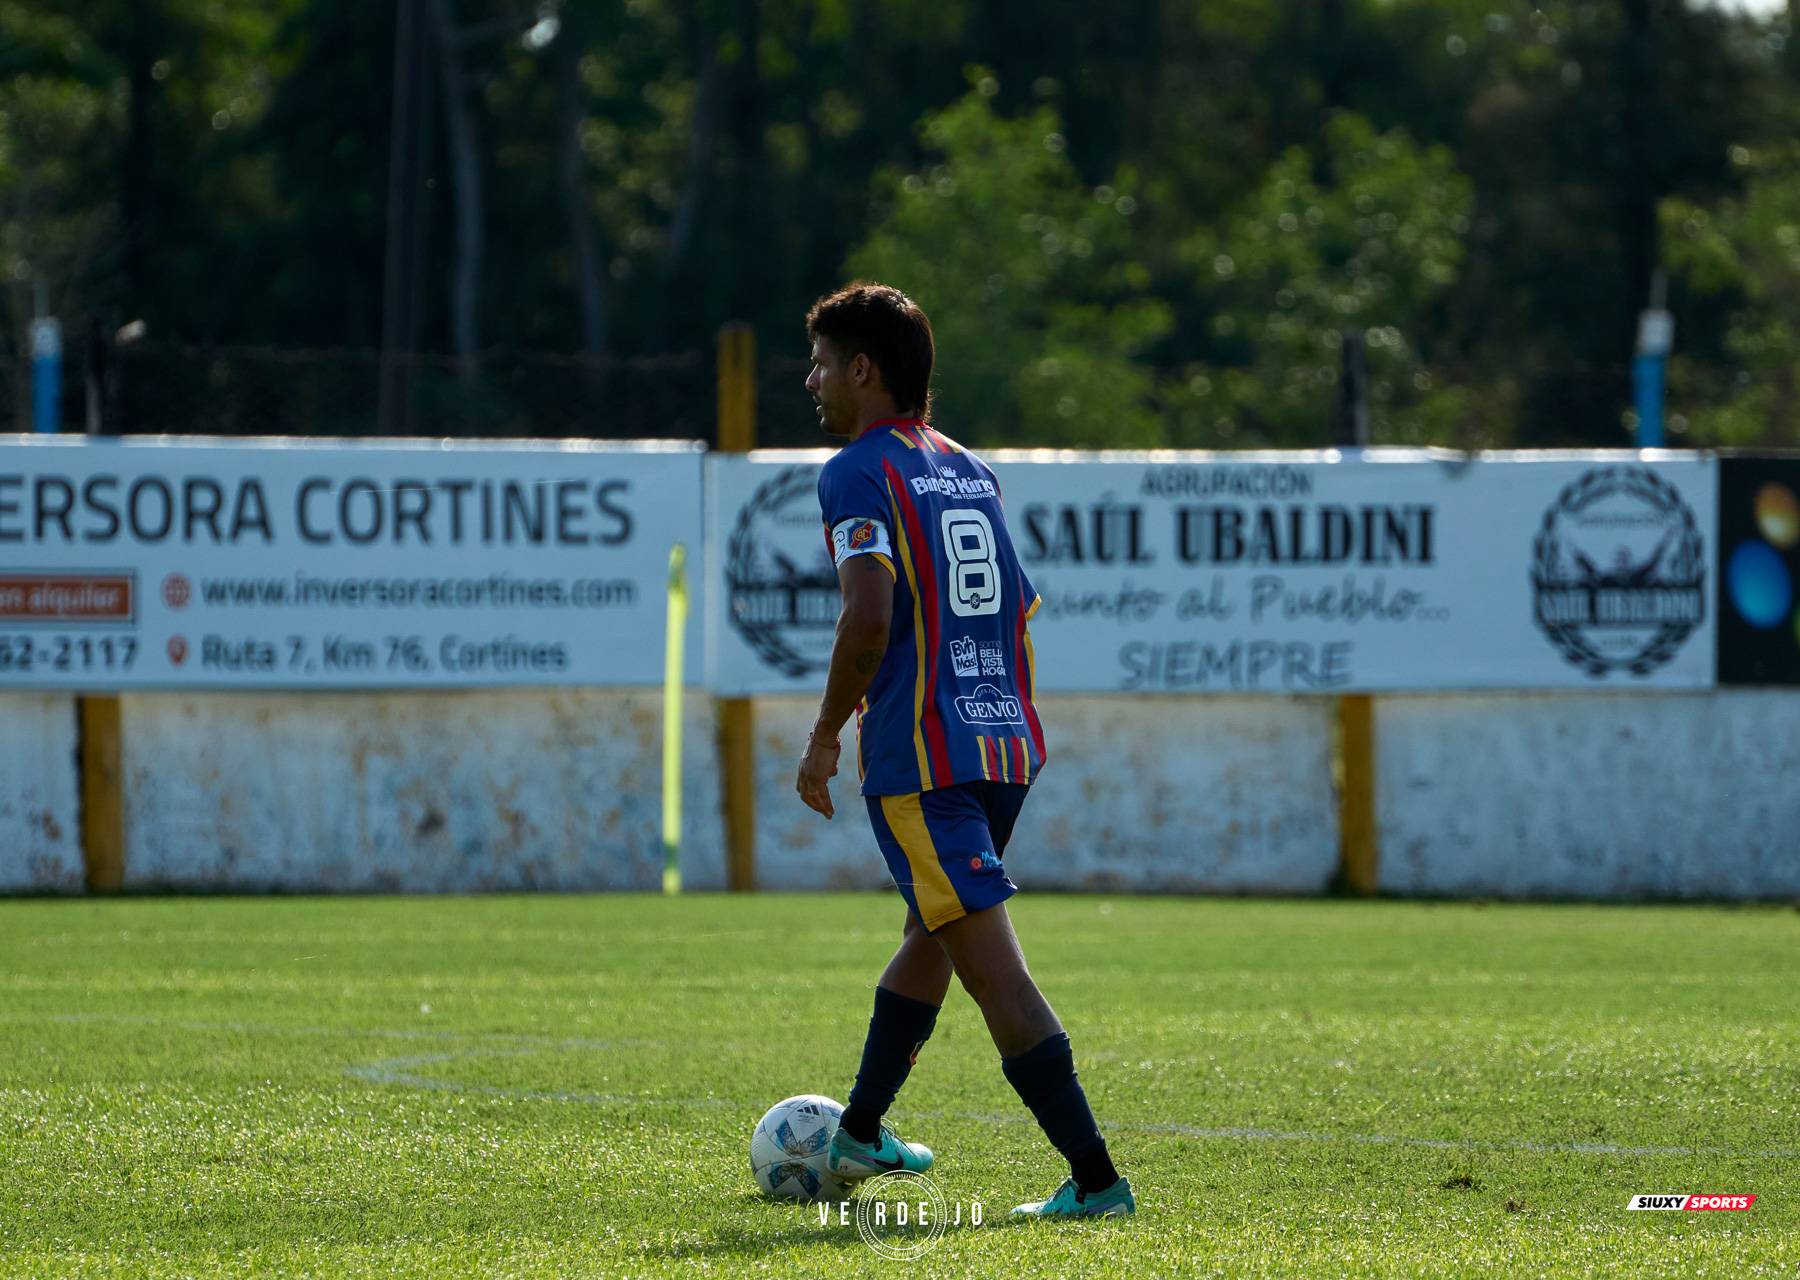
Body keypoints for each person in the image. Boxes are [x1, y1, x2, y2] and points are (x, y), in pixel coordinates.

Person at [793, 281, 1134, 1219]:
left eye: (821, 362)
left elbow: (868, 616)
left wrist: (825, 735)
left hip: (924, 761)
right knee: (934, 932)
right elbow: (1016, 604)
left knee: (997, 977)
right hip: (1002, 746)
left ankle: (1098, 1183)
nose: (810, 379)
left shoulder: (856, 471)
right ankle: (860, 1132)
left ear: (864, 371)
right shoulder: (968, 468)